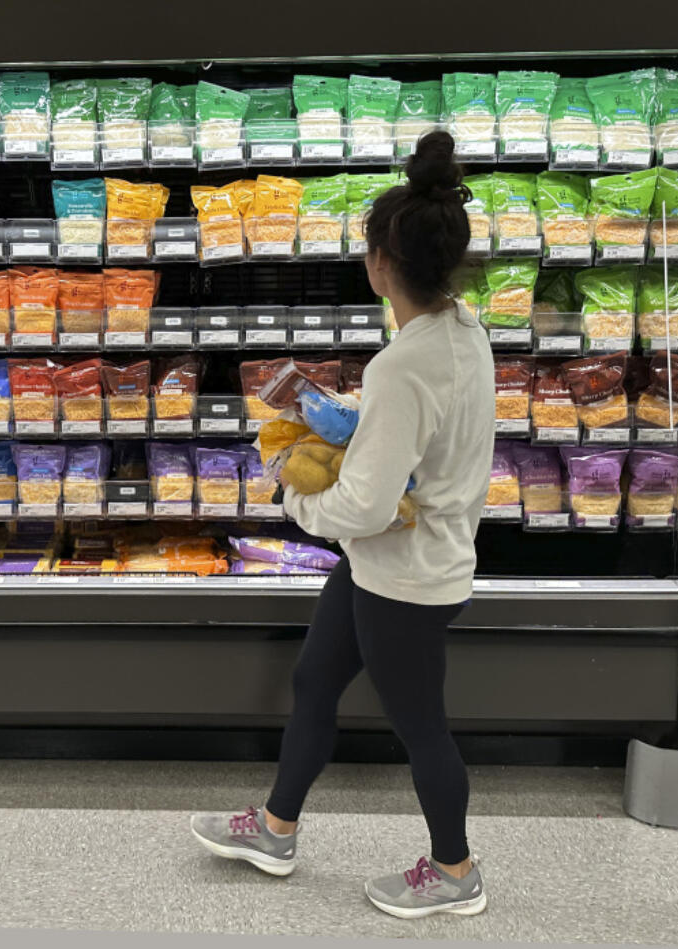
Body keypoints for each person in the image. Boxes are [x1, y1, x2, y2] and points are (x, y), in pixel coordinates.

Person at [190, 130, 495, 920]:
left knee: (422, 727)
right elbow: (424, 436)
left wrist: (293, 498)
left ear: (378, 265)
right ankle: (274, 826)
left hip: (405, 573)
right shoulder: (464, 331)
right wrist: (352, 418)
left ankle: (456, 869)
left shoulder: (403, 363)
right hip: (394, 561)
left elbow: (360, 505)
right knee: (316, 679)